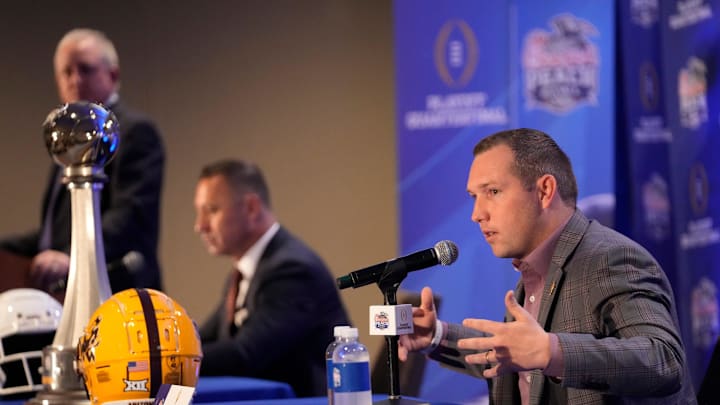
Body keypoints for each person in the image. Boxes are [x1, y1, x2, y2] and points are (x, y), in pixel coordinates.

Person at [398, 128, 696, 404]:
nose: (477, 214)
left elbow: (664, 361)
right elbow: (517, 359)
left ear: (544, 191)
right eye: (474, 197)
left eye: (493, 192)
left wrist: (552, 351)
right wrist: (436, 336)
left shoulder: (610, 258)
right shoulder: (536, 269)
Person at [0, 28, 164, 295]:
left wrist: (70, 256)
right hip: (66, 291)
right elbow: (53, 233)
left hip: (116, 293)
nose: (75, 80)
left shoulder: (134, 131)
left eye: (86, 69)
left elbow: (129, 218)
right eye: (67, 72)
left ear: (113, 75)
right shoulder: (68, 138)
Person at [194, 159, 350, 397]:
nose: (200, 226)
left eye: (212, 210)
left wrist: (172, 364)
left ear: (251, 208)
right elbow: (203, 339)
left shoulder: (292, 270)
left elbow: (245, 354)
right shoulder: (245, 271)